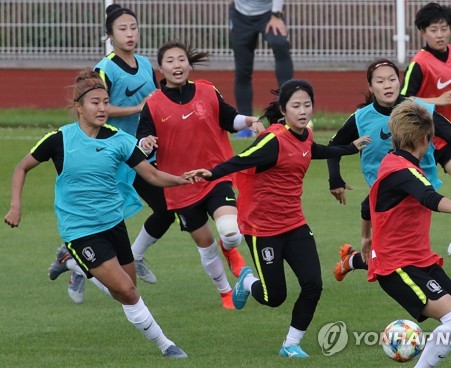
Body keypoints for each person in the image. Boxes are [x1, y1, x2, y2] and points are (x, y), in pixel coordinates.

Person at [4, 69, 189, 359]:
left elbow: (151, 175)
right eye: (95, 102)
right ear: (79, 107)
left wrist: (182, 178)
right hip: (79, 230)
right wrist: (16, 205)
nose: (102, 108)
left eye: (105, 101)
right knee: (128, 292)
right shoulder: (60, 139)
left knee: (125, 291)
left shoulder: (119, 140)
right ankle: (167, 346)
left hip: (114, 225)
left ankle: (73, 265)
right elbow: (21, 167)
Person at [186, 79, 370, 357]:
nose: (303, 110)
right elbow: (242, 159)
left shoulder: (304, 135)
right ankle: (246, 280)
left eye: (307, 105)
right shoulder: (272, 141)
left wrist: (349, 148)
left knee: (313, 284)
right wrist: (212, 173)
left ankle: (291, 344)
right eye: (296, 105)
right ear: (283, 109)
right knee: (274, 297)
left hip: (295, 224)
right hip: (263, 229)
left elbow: (313, 150)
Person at [55, 3, 177, 304]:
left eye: (133, 27)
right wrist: (138, 107)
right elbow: (97, 109)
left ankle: (133, 256)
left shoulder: (147, 64)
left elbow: (157, 102)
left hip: (141, 154)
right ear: (110, 34)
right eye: (122, 29)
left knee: (166, 210)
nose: (130, 33)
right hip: (111, 155)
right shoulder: (105, 68)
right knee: (104, 221)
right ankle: (74, 261)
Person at [136, 40, 263, 309]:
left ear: (189, 64)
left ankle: (230, 249)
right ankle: (226, 292)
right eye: (170, 61)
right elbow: (143, 140)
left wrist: (249, 121)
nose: (177, 65)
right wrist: (145, 142)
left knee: (230, 232)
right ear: (161, 68)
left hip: (214, 175)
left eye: (181, 59)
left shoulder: (207, 91)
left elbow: (229, 119)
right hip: (180, 185)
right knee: (205, 244)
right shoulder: (153, 104)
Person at [367, 100, 451, 367]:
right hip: (397, 267)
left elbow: (367, 205)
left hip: (422, 261)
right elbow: (428, 197)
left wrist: (367, 238)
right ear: (425, 140)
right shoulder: (402, 171)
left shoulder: (394, 162)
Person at [328, 59, 451, 281]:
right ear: (371, 87)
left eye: (392, 79)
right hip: (386, 193)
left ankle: (352, 259)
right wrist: (334, 179)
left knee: (396, 253)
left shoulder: (418, 110)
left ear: (399, 82)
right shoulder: (362, 118)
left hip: (421, 188)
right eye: (380, 81)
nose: (387, 85)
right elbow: (333, 145)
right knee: (396, 254)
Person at [400, 2, 451, 266]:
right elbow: (401, 99)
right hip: (422, 137)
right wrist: (436, 98)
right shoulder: (419, 63)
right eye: (433, 29)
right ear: (423, 32)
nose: (440, 34)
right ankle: (393, 248)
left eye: (444, 28)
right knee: (411, 198)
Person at [230, 0, 293, 137]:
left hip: (270, 14)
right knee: (242, 71)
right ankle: (245, 126)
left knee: (281, 46)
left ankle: (291, 115)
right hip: (240, 16)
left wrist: (276, 15)